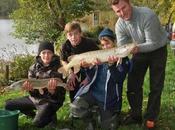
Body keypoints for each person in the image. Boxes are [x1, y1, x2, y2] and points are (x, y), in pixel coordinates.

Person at [108, 0, 167, 129]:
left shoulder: (147, 15)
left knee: (156, 85)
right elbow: (122, 48)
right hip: (138, 50)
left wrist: (135, 49)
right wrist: (114, 57)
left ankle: (151, 117)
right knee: (133, 84)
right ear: (114, 11)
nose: (122, 13)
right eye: (118, 11)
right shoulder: (120, 25)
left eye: (124, 7)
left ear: (129, 3)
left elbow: (153, 43)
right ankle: (135, 115)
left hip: (158, 49)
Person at [70, 28, 130, 130]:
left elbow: (119, 79)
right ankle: (90, 121)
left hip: (109, 99)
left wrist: (111, 65)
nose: (105, 47)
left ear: (114, 43)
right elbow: (90, 76)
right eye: (102, 45)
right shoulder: (100, 58)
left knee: (108, 127)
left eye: (108, 44)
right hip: (93, 93)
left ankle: (102, 114)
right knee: (75, 107)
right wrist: (86, 66)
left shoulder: (123, 60)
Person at [5, 41, 66, 128]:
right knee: (9, 105)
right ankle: (33, 114)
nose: (46, 55)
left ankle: (51, 115)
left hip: (51, 101)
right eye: (43, 53)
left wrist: (52, 91)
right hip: (35, 99)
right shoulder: (33, 68)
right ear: (39, 54)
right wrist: (31, 90)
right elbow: (34, 94)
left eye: (49, 52)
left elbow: (60, 95)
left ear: (53, 54)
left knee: (37, 123)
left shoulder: (60, 68)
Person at [60, 21, 99, 102]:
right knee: (72, 84)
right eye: (70, 35)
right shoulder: (65, 46)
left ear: (80, 33)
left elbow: (100, 60)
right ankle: (74, 104)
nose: (73, 37)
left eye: (76, 33)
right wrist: (70, 73)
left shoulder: (90, 43)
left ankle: (92, 106)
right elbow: (63, 60)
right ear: (67, 36)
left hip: (90, 70)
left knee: (88, 93)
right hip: (74, 70)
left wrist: (89, 77)